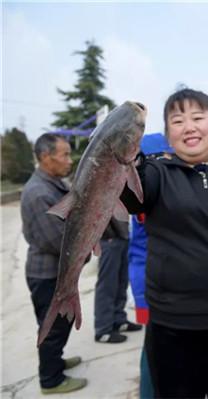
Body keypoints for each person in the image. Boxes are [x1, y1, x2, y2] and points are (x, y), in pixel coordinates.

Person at [120, 88, 208, 398]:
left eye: (198, 117)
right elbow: (129, 196)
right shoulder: (155, 172)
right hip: (175, 327)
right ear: (167, 133)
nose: (189, 127)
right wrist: (125, 148)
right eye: (177, 120)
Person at [20, 133, 87, 394]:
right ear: (46, 158)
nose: (69, 160)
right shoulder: (38, 193)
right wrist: (86, 248)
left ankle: (55, 362)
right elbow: (57, 241)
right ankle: (51, 380)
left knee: (59, 323)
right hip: (47, 274)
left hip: (55, 272)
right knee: (52, 327)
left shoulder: (52, 183)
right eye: (65, 155)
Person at [128, 133, 173, 399]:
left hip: (150, 278)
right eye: (166, 156)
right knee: (155, 351)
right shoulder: (147, 191)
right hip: (150, 285)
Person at [94, 217, 142, 343]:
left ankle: (118, 320)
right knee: (107, 285)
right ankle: (103, 329)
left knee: (121, 282)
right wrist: (106, 234)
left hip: (123, 236)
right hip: (108, 238)